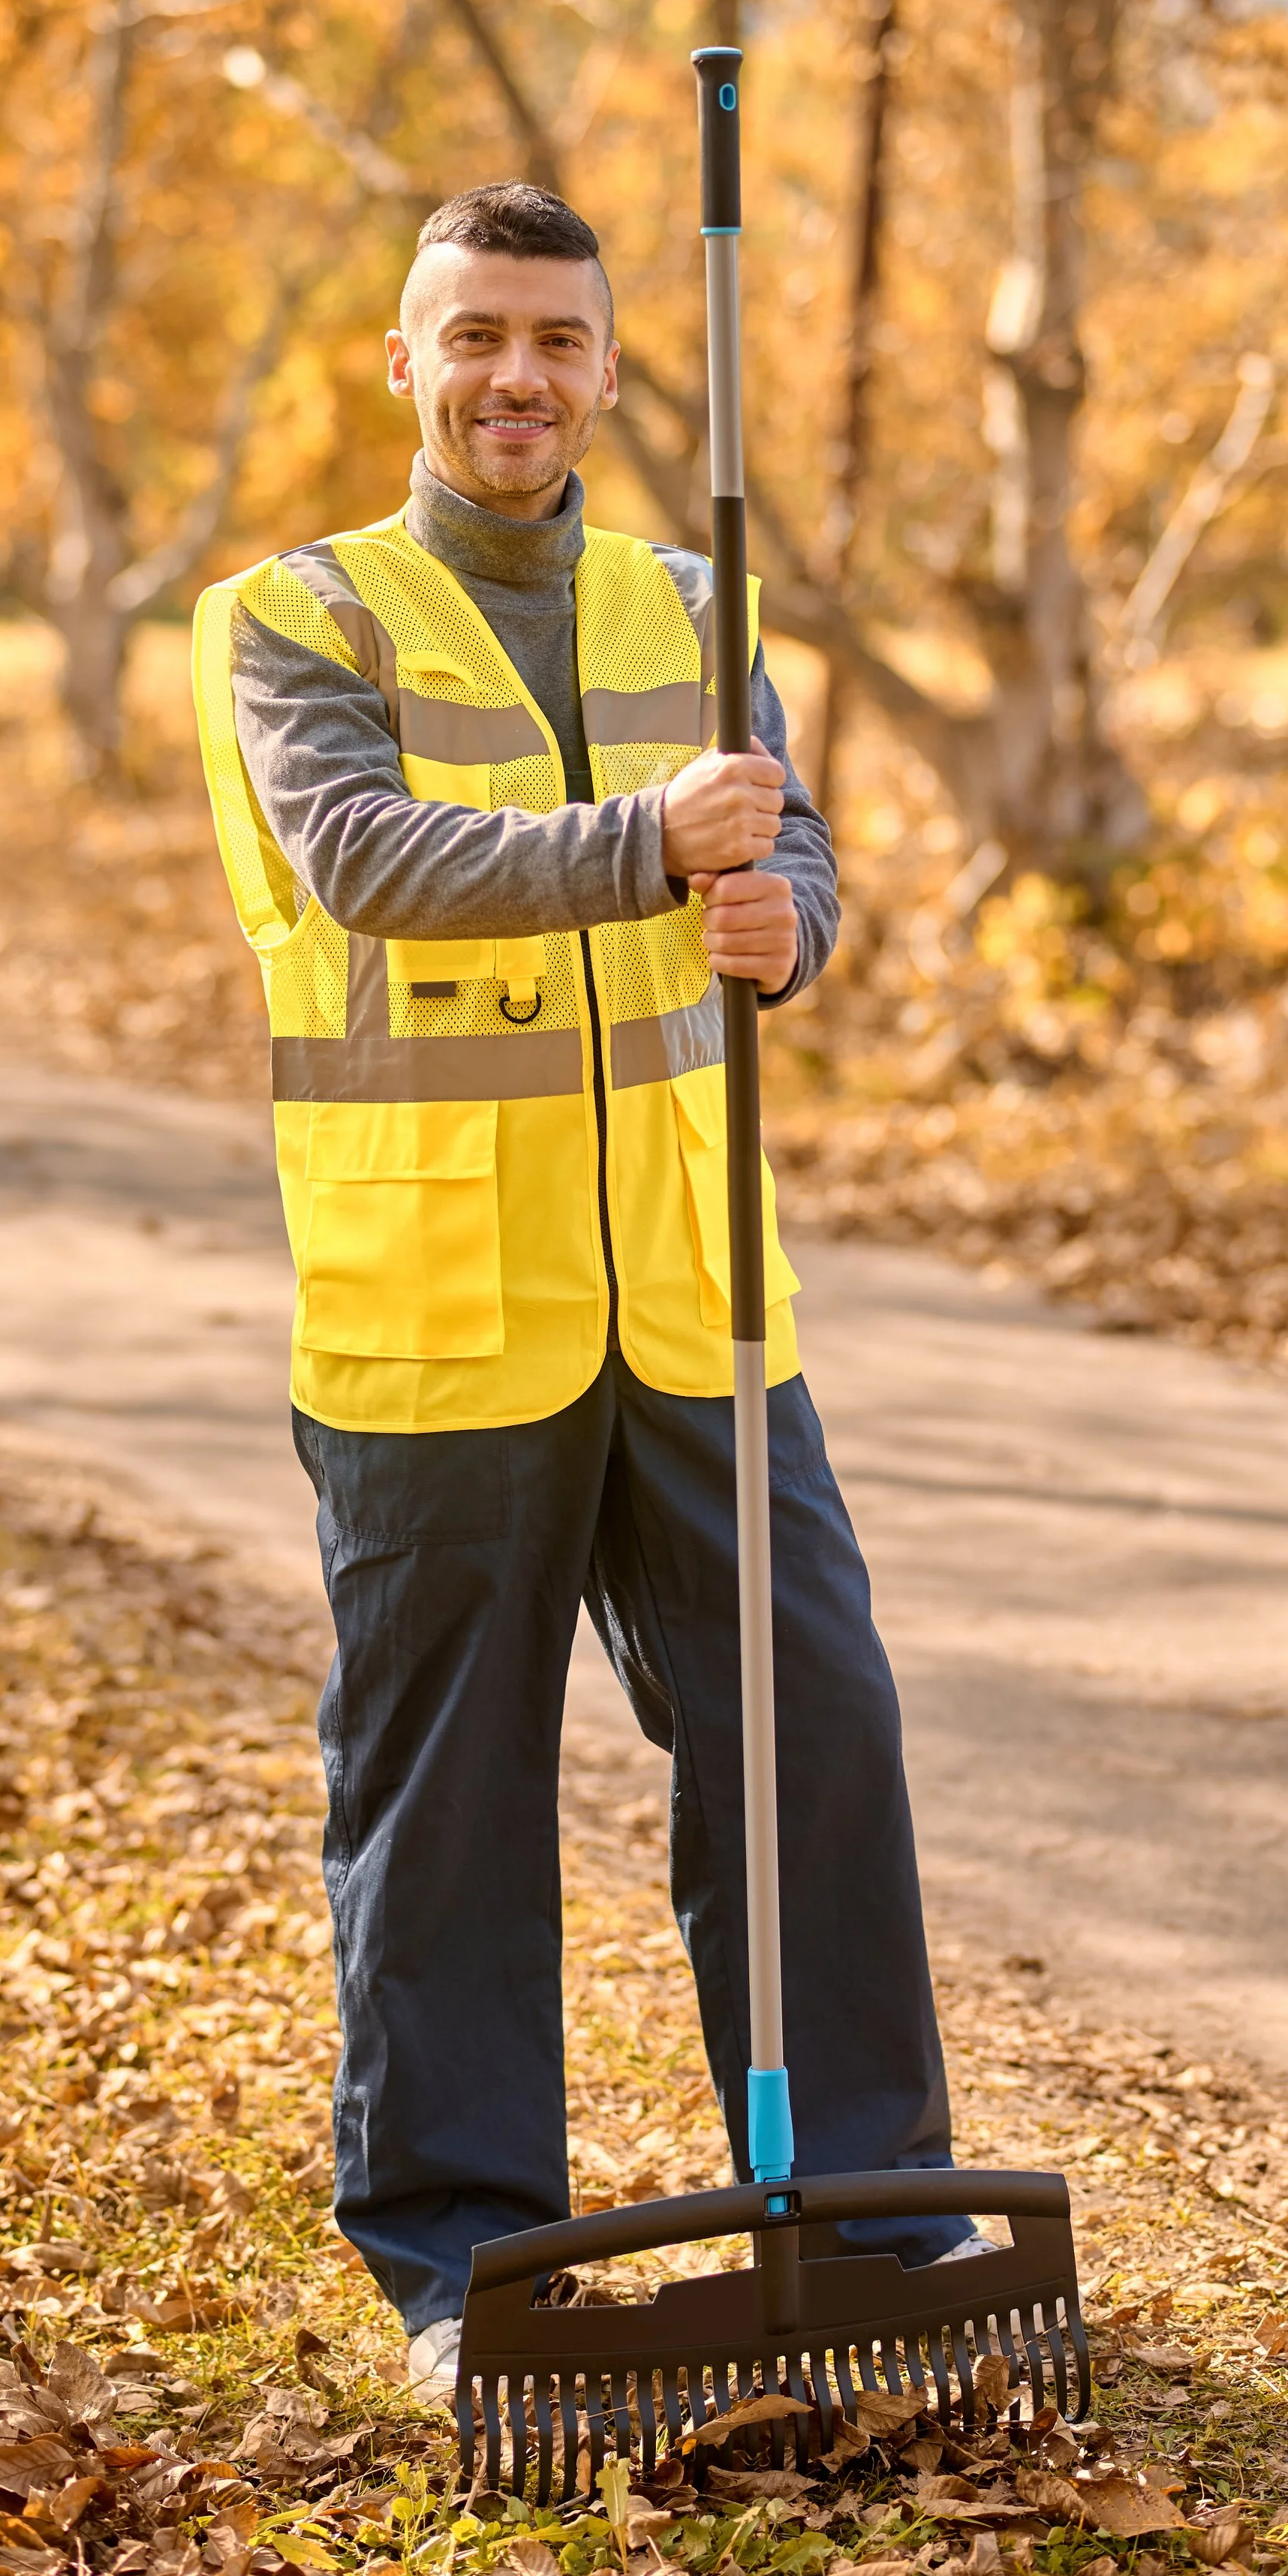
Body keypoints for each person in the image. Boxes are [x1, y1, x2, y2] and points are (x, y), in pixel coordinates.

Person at [191, 180, 980, 2399]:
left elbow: (787, 838)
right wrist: (656, 848)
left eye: (554, 339)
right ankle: (464, 2261)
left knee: (811, 1727)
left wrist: (788, 924)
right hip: (435, 1300)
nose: (514, 377)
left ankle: (883, 2220)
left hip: (703, 1292)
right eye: (474, 337)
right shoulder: (293, 616)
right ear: (405, 361)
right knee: (442, 1796)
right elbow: (369, 859)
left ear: (613, 370)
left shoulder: (690, 603)